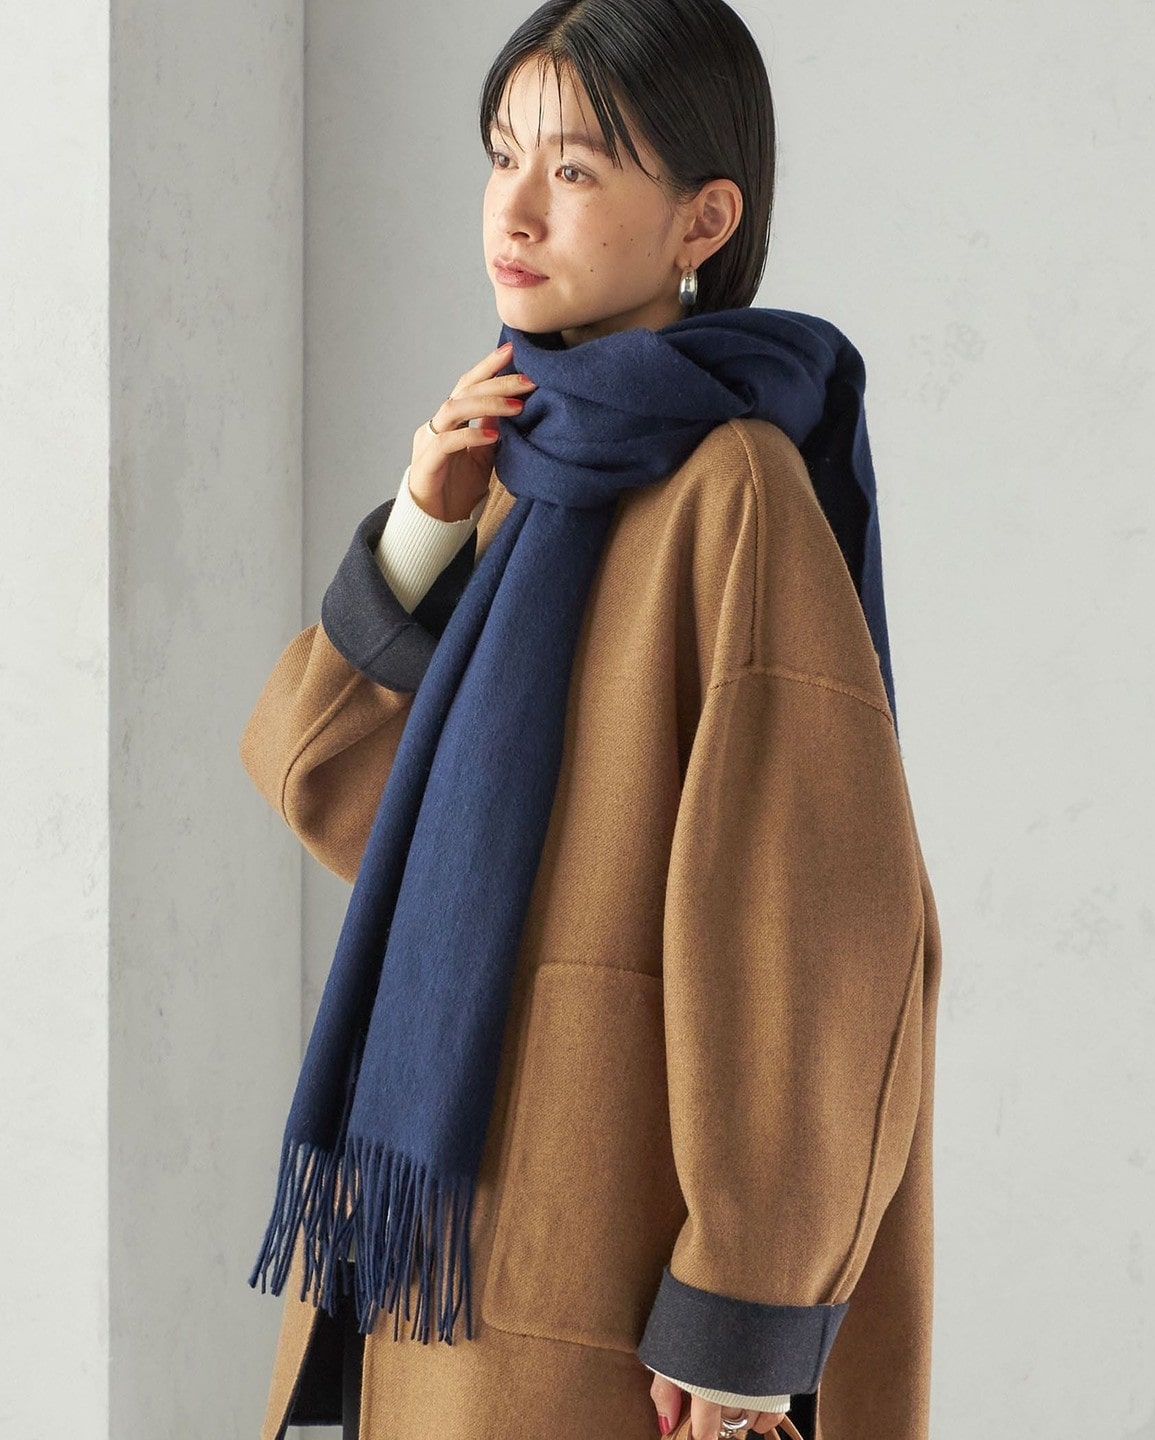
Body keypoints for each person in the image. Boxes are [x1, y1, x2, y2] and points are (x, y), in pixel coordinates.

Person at [239, 2, 943, 1438]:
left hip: (610, 1263)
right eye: (503, 155)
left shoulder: (735, 491)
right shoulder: (525, 461)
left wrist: (741, 1318)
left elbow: (818, 934)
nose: (514, 208)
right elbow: (341, 802)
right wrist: (420, 536)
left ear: (703, 221)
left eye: (573, 168)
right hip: (449, 1242)